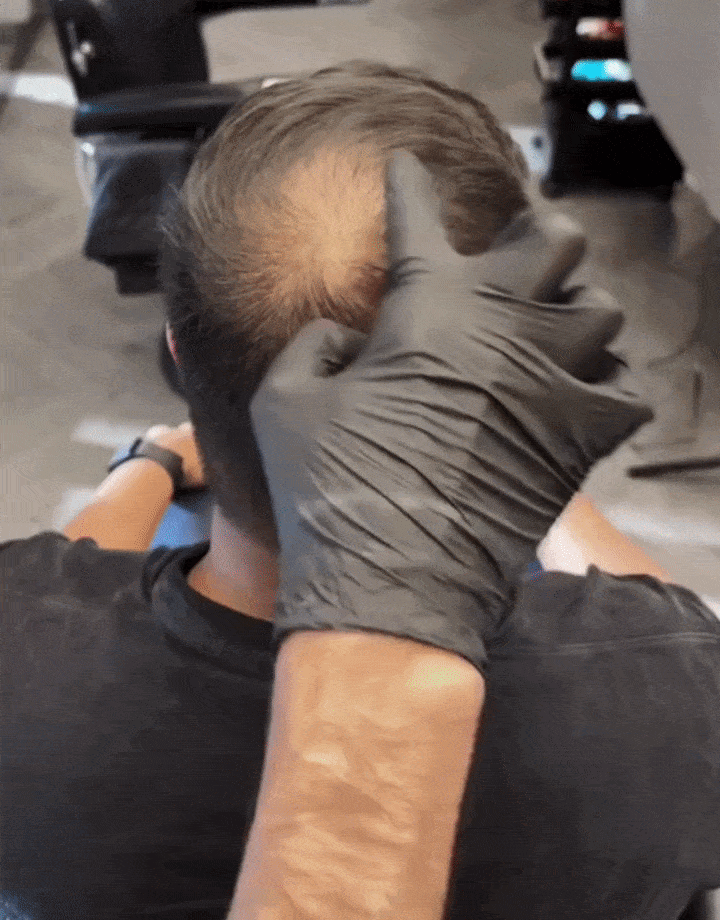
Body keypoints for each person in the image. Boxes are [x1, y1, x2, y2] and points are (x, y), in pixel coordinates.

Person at [0, 63, 718, 920]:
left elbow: (63, 572)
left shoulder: (22, 650)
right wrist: (513, 462)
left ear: (179, 353)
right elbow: (668, 616)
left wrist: (145, 466)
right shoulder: (669, 686)